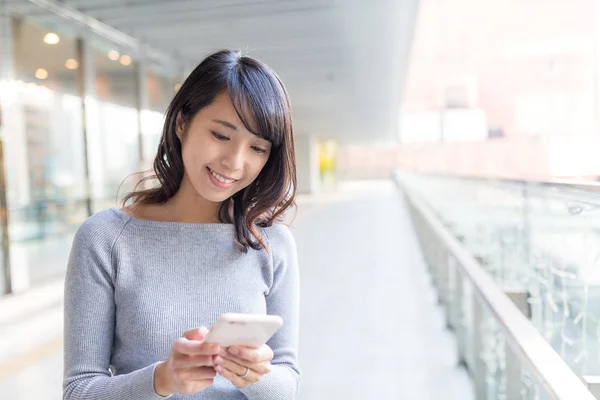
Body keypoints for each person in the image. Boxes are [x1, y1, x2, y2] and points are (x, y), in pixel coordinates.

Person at [63, 49, 300, 399]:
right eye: (221, 135)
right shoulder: (106, 239)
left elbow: (289, 386)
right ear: (182, 123)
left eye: (257, 147)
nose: (235, 162)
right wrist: (162, 379)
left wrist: (254, 374)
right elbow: (78, 391)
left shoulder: (272, 243)